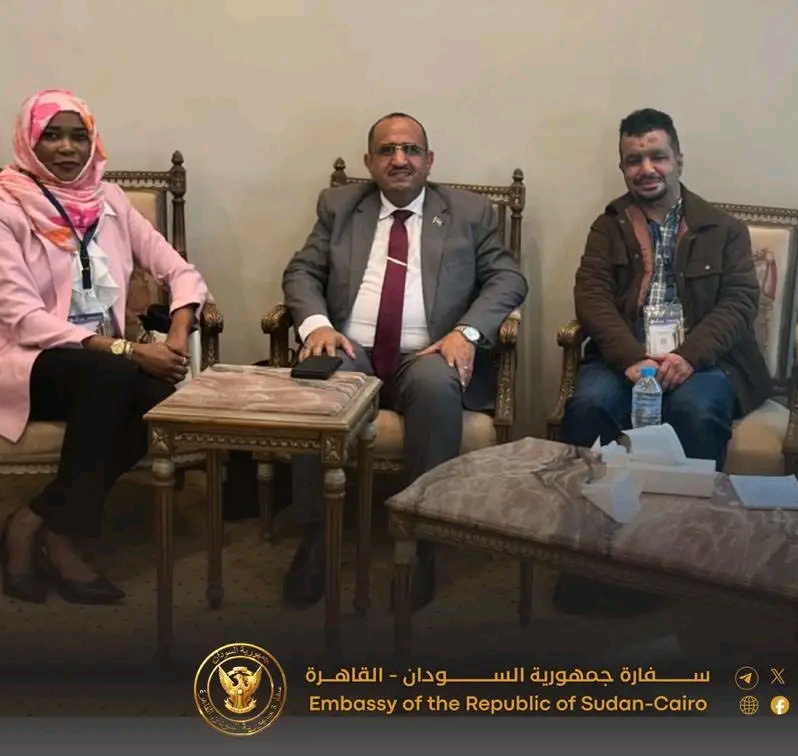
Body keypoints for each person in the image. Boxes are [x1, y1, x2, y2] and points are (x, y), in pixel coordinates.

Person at [0, 89, 208, 604]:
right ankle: (64, 539)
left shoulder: (109, 199)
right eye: (51, 135)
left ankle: (33, 521)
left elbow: (180, 271)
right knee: (115, 376)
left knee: (159, 399)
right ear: (28, 141)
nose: (67, 148)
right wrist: (128, 351)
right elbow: (20, 315)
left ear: (93, 142)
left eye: (79, 136)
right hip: (20, 360)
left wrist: (177, 336)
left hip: (98, 366)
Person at [281, 112, 528, 610]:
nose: (400, 159)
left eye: (411, 149)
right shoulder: (339, 206)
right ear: (369, 161)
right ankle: (316, 537)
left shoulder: (469, 212)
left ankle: (421, 540)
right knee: (320, 386)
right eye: (388, 150)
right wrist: (317, 326)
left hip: (429, 352)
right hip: (352, 350)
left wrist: (466, 333)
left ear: (429, 160)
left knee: (436, 386)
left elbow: (508, 279)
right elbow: (301, 272)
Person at [557, 108, 771, 614]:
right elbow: (591, 297)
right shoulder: (608, 226)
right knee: (587, 407)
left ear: (678, 160)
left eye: (657, 156)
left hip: (704, 361)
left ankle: (680, 556)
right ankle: (590, 556)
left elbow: (740, 301)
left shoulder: (724, 228)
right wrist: (631, 359)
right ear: (622, 167)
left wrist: (688, 356)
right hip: (623, 360)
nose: (646, 168)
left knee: (696, 413)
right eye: (634, 160)